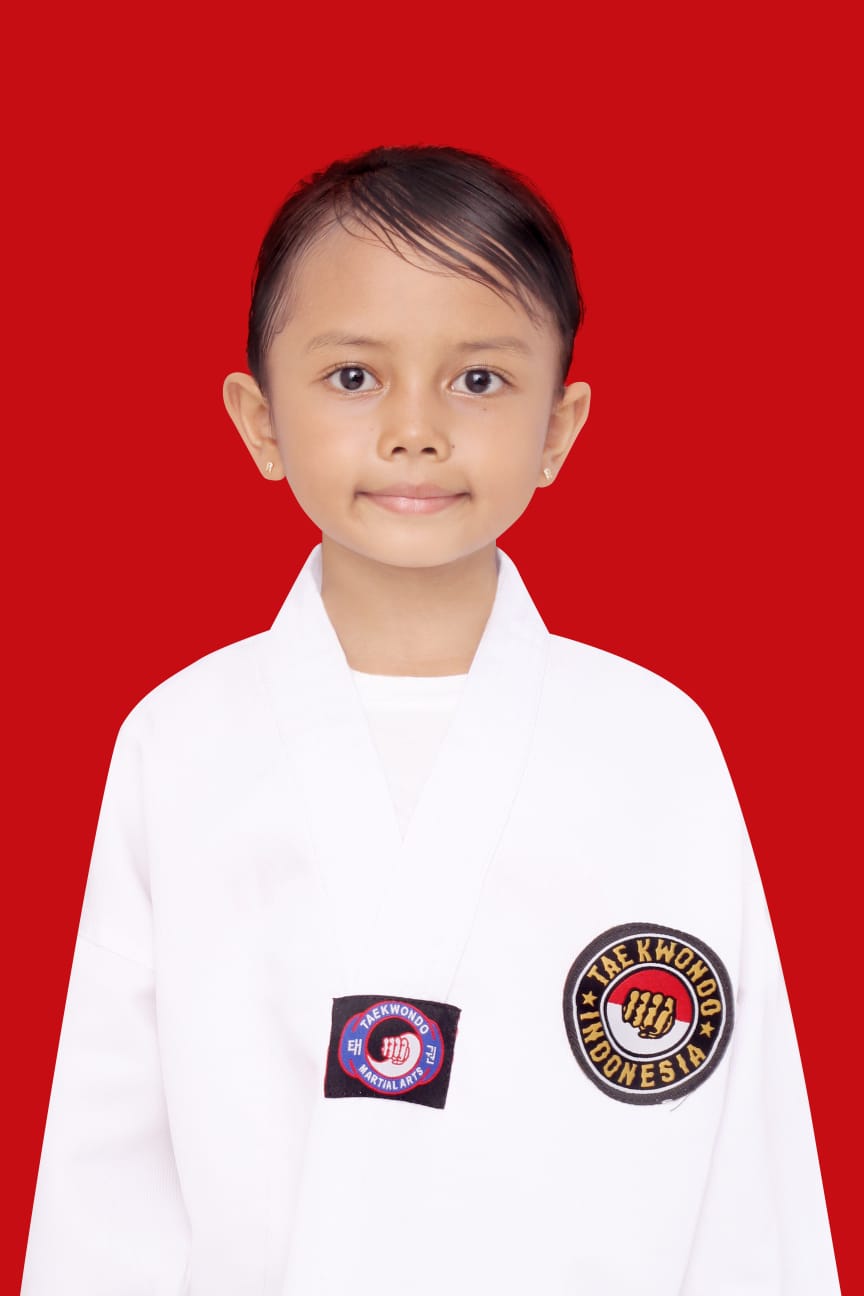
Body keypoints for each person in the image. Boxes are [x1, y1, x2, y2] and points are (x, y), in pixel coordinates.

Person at [21, 145, 839, 1295]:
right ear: (259, 420)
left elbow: (743, 1149)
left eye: (480, 380)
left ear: (560, 427)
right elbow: (111, 1159)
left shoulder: (656, 746)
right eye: (355, 376)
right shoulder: (183, 740)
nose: (416, 429)